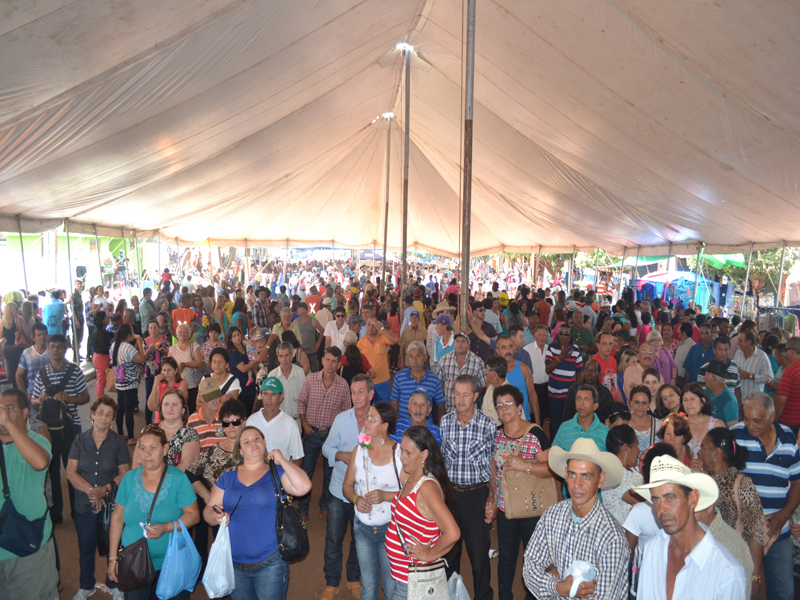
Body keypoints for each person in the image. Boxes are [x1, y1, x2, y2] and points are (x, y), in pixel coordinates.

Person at [203, 426, 311, 600]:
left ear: (264, 443)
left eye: (256, 439)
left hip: (271, 563)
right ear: (240, 451)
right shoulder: (227, 476)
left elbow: (304, 487)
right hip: (234, 564)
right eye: (246, 441)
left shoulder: (276, 472)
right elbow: (208, 511)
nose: (253, 443)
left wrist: (282, 460)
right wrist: (215, 516)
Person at [523, 437, 629, 599]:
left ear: (600, 480)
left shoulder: (612, 538)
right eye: (573, 474)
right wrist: (558, 586)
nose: (577, 484)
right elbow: (529, 568)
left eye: (586, 476)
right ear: (565, 474)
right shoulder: (552, 516)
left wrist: (551, 577)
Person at [633, 455, 746, 600]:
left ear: (693, 499)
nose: (662, 509)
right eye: (656, 500)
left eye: (671, 498)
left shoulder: (727, 572)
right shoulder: (652, 550)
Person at [107, 426, 200, 600]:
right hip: (134, 563)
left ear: (165, 450)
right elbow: (118, 518)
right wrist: (113, 559)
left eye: (153, 448)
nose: (147, 453)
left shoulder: (178, 478)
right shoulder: (128, 478)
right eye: (142, 448)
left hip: (172, 562)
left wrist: (166, 528)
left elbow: (194, 515)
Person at [732, 391, 800, 600]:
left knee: (783, 591)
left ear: (771, 417)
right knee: (744, 589)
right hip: (743, 530)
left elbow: (797, 482)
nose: (750, 426)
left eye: (757, 421)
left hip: (777, 528)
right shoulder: (735, 435)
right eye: (746, 418)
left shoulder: (788, 438)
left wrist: (784, 514)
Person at [485, 384, 550, 600]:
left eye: (509, 404)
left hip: (533, 510)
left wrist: (526, 466)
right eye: (499, 405)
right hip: (506, 510)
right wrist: (493, 499)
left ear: (520, 406)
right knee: (506, 559)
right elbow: (493, 470)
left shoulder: (535, 433)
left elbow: (552, 469)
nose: (504, 409)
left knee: (533, 561)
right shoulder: (495, 435)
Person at [384, 426, 461, 600]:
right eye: (401, 450)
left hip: (413, 581)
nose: (402, 457)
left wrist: (428, 554)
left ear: (424, 455)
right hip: (402, 575)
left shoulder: (427, 488)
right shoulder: (409, 475)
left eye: (408, 453)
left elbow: (453, 533)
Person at [66, 396, 131, 600]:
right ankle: (86, 585)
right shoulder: (80, 440)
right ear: (92, 415)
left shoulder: (118, 442)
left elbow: (125, 473)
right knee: (85, 547)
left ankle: (113, 583)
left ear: (113, 419)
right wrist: (93, 492)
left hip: (111, 505)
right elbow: (70, 472)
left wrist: (105, 489)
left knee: (114, 546)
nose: (104, 417)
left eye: (109, 414)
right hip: (84, 504)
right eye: (100, 412)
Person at [440, 374, 497, 600]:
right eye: (456, 394)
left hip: (477, 495)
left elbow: (491, 462)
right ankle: (451, 595)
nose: (460, 399)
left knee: (479, 556)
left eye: (465, 394)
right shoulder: (445, 422)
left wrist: (493, 497)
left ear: (475, 396)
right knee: (450, 553)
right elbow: (441, 462)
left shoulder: (487, 424)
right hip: (451, 496)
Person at [317, 374, 373, 600]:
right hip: (339, 490)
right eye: (353, 392)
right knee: (333, 538)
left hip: (365, 493)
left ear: (370, 394)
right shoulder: (341, 419)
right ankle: (331, 583)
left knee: (361, 538)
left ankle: (353, 578)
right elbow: (326, 448)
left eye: (361, 392)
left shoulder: (377, 421)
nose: (356, 396)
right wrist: (341, 455)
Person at [341, 401, 403, 600]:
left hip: (391, 530)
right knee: (368, 587)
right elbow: (347, 486)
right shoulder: (359, 450)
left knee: (391, 586)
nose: (366, 421)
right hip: (363, 529)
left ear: (385, 426)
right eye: (367, 416)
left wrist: (385, 496)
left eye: (372, 418)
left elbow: (412, 494)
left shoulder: (399, 454)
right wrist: (357, 499)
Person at [0, 388, 57, 600]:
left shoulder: (37, 439)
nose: (3, 414)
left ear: (25, 412)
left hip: (29, 547)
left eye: (9, 408)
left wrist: (8, 425)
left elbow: (41, 462)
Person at [697, 428, 765, 597]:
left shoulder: (742, 483)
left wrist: (754, 577)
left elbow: (755, 534)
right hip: (704, 562)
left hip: (733, 561)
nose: (699, 451)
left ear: (716, 453)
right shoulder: (700, 480)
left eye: (703, 446)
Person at [30, 333, 90, 524]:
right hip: (48, 431)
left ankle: (77, 510)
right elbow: (32, 401)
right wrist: (39, 400)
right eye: (52, 346)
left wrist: (69, 398)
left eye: (59, 346)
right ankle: (56, 513)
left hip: (71, 429)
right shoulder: (41, 374)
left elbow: (86, 397)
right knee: (52, 472)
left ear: (65, 349)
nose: (55, 350)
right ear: (48, 349)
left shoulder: (75, 371)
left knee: (74, 470)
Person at [186, 399, 246, 569]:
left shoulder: (253, 448)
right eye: (226, 423)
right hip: (219, 514)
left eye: (236, 421)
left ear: (244, 421)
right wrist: (207, 496)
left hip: (246, 512)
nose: (231, 426)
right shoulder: (213, 450)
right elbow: (190, 472)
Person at [296, 347, 352, 521]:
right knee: (307, 470)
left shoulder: (343, 384)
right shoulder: (310, 380)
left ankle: (324, 505)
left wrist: (340, 434)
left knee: (330, 473)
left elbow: (346, 411)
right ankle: (303, 509)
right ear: (322, 361)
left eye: (334, 361)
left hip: (331, 436)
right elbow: (301, 402)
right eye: (327, 360)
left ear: (338, 364)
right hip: (311, 431)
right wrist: (304, 423)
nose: (330, 364)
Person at [136, 389, 200, 471]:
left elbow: (186, 465)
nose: (170, 408)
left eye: (175, 404)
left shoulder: (190, 434)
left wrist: (159, 481)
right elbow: (137, 462)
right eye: (166, 404)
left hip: (176, 481)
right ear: (161, 409)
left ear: (183, 410)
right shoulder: (148, 430)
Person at [246, 377, 304, 463]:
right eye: (265, 394)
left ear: (281, 397)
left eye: (273, 394)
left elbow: (298, 457)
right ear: (261, 395)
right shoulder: (251, 421)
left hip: (279, 475)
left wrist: (288, 476)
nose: (268, 399)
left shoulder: (290, 424)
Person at [111, 324, 150, 444]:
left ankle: (120, 433)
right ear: (128, 335)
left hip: (119, 382)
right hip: (130, 383)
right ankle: (131, 437)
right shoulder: (129, 348)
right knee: (129, 410)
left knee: (121, 409)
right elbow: (141, 359)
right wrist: (140, 345)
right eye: (132, 332)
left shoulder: (114, 345)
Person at [390, 341, 446, 423]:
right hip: (404, 428)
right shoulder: (399, 377)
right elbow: (394, 406)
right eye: (411, 357)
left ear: (425, 357)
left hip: (426, 429)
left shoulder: (434, 380)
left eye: (418, 356)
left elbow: (441, 407)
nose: (414, 360)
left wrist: (438, 429)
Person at [602, 424, 643, 524]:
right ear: (626, 448)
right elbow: (642, 503)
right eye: (636, 446)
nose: (639, 450)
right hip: (621, 535)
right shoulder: (614, 474)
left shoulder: (632, 469)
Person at [438, 332, 487, 415]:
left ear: (468, 344)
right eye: (457, 341)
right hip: (450, 408)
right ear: (454, 343)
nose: (460, 344)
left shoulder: (477, 361)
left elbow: (483, 385)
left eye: (463, 341)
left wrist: (472, 396)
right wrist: (447, 394)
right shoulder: (444, 360)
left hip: (470, 410)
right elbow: (440, 380)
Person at [553, 383, 610, 452]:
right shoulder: (564, 428)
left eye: (586, 399)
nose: (581, 403)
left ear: (595, 406)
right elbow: (554, 456)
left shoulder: (605, 433)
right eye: (578, 398)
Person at [357, 316, 399, 403]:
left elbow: (395, 340)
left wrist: (382, 329)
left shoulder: (383, 337)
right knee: (369, 408)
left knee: (384, 407)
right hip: (368, 381)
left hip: (383, 381)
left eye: (374, 325)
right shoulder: (361, 342)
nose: (371, 327)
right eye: (369, 325)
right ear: (365, 325)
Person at [563, 359, 615, 425]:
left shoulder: (605, 394)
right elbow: (567, 415)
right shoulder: (574, 390)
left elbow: (609, 418)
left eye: (593, 370)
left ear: (599, 375)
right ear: (583, 372)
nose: (589, 373)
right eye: (587, 369)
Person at [681, 382, 724, 458]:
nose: (689, 403)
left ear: (703, 401)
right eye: (685, 400)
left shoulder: (716, 425)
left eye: (692, 399)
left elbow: (724, 455)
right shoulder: (680, 425)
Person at [169, 323, 204, 414]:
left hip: (192, 383)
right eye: (180, 331)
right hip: (177, 384)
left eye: (185, 332)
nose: (182, 334)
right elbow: (168, 366)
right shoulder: (172, 349)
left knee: (193, 409)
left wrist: (185, 364)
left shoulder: (194, 346)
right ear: (177, 334)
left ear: (189, 334)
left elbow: (199, 362)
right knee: (179, 410)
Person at [146, 356, 188, 425]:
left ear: (176, 370)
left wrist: (159, 407)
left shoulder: (183, 383)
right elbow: (151, 407)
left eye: (169, 370)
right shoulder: (159, 384)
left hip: (176, 421)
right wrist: (155, 385)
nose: (166, 373)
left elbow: (178, 406)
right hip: (160, 422)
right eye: (164, 370)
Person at [700, 359, 740, 428]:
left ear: (713, 378)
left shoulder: (729, 401)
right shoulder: (708, 391)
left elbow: (733, 429)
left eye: (706, 375)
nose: (704, 377)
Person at [15, 321, 49, 402]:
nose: (42, 337)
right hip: (32, 395)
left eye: (44, 334)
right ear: (33, 338)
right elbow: (18, 375)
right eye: (39, 335)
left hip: (50, 394)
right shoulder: (27, 353)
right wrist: (24, 395)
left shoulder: (53, 352)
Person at [629, 385, 660, 456]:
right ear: (631, 403)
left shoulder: (658, 425)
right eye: (637, 402)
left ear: (649, 404)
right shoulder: (623, 424)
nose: (640, 406)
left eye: (644, 403)